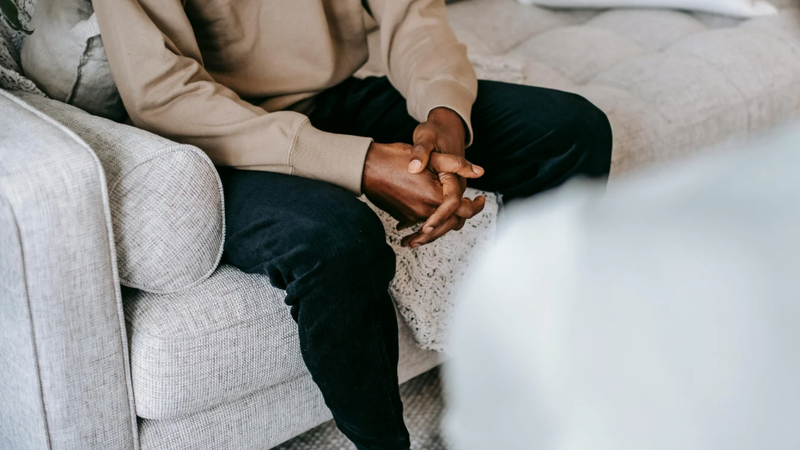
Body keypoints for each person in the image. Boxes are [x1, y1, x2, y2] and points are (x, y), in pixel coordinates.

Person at [94, 1, 612, 448]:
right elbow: (163, 97)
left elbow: (412, 16)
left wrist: (446, 120)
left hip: (328, 101)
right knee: (337, 239)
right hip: (217, 139)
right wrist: (361, 163)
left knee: (573, 130)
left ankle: (520, 366)